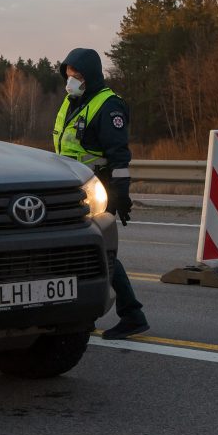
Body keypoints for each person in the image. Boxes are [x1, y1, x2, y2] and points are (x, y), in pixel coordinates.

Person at [54, 47, 149, 340]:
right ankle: (79, 314)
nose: (71, 80)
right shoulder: (73, 102)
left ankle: (132, 314)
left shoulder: (108, 106)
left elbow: (119, 157)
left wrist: (121, 195)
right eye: (69, 74)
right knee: (73, 251)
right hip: (70, 189)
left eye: (77, 75)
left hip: (98, 188)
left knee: (98, 251)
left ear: (91, 76)